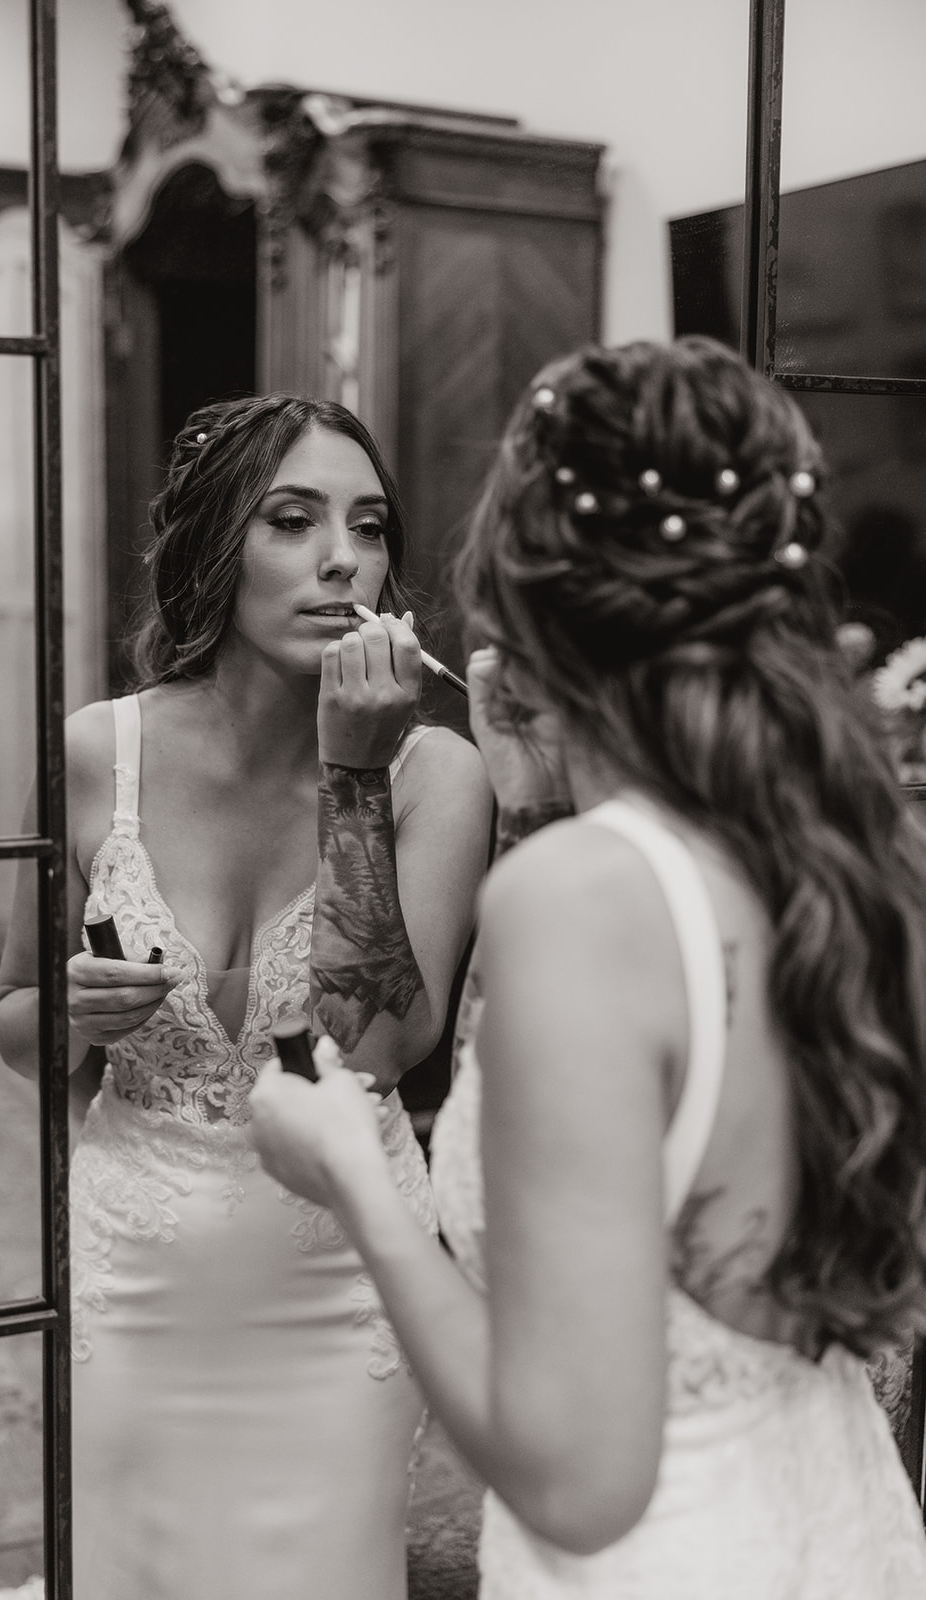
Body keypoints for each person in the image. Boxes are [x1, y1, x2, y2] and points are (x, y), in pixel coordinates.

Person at [250, 336, 926, 1597]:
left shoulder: (579, 902)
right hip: (839, 1531)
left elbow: (576, 1478)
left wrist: (355, 1176)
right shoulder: (850, 859)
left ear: (518, 590)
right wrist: (534, 802)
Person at [0, 394, 492, 1600]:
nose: (342, 558)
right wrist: (68, 1014)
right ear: (218, 546)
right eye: (292, 520)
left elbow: (372, 1052)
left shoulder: (437, 773)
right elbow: (12, 1020)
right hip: (134, 1263)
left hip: (338, 1278)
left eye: (368, 528)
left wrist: (354, 782)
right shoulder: (92, 755)